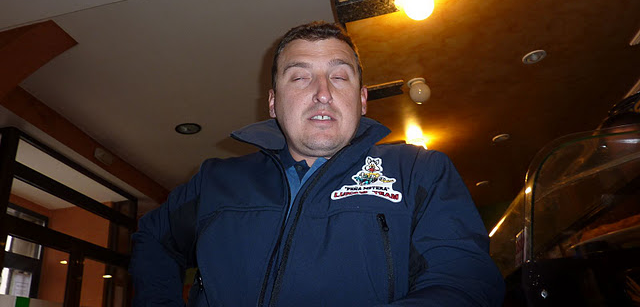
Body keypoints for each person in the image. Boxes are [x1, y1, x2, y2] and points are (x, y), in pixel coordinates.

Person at [129, 21, 505, 306]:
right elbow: (153, 241)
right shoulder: (216, 180)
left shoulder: (419, 172)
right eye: (300, 77)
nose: (322, 93)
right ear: (273, 102)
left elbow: (464, 281)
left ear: (362, 99)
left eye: (339, 76)